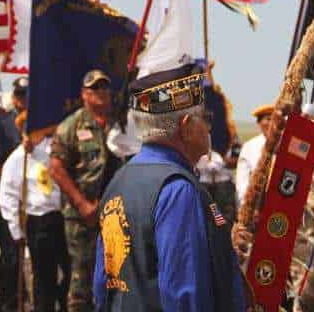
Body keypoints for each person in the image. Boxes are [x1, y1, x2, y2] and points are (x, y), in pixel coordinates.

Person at [93, 64, 245, 311]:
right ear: (186, 127)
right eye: (205, 118)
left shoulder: (120, 180)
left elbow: (102, 285)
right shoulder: (177, 190)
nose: (208, 128)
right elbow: (185, 295)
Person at [50, 70, 121, 312]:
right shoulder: (72, 125)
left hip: (115, 215)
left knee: (115, 277)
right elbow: (57, 169)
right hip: (83, 217)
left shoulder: (119, 125)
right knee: (82, 280)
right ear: (84, 94)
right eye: (94, 88)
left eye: (104, 87)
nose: (101, 92)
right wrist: (82, 205)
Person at [0, 111, 69, 312]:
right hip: (38, 221)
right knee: (43, 276)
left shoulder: (53, 149)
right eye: (24, 131)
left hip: (61, 217)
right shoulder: (17, 159)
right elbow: (7, 195)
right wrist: (16, 230)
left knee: (69, 270)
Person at [0, 76, 29, 312]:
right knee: (10, 253)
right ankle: (8, 302)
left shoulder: (38, 123)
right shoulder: (2, 124)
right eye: (20, 95)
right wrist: (13, 178)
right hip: (9, 198)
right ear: (14, 97)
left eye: (27, 94)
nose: (24, 99)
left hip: (33, 198)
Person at [234, 103, 275, 209]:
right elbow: (242, 181)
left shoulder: (286, 145)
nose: (271, 123)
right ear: (259, 123)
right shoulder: (249, 147)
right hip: (255, 208)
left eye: (275, 119)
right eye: (268, 119)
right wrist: (245, 207)